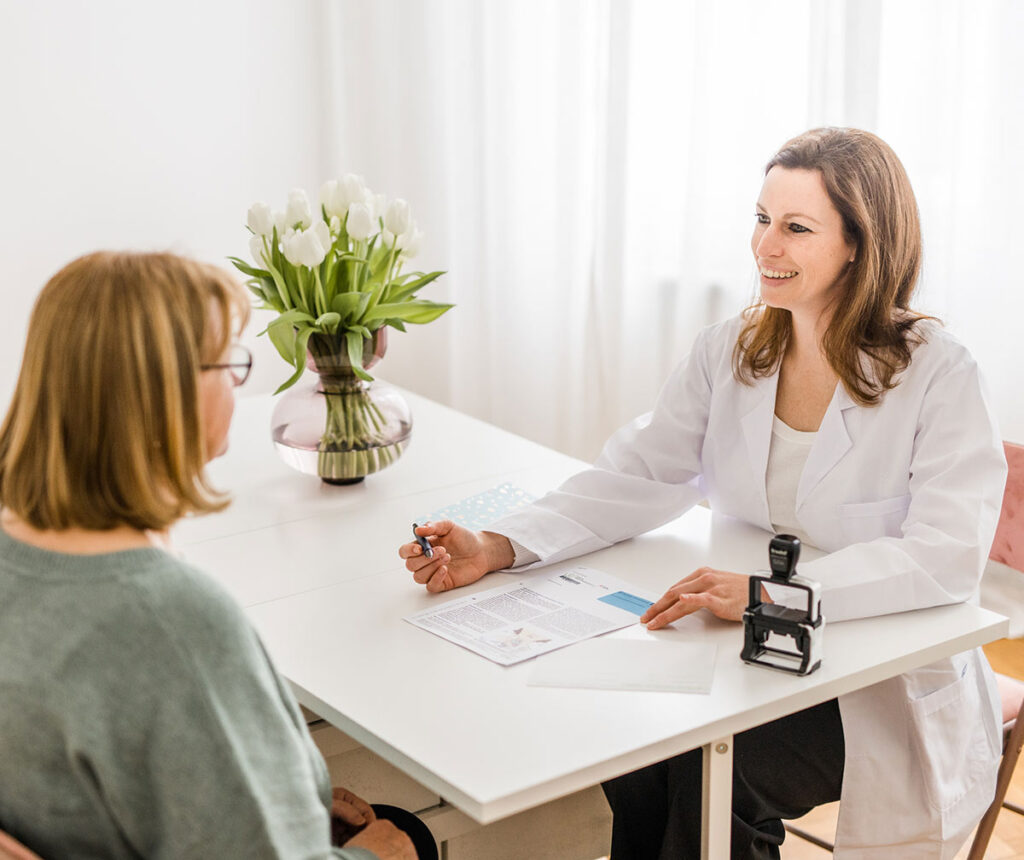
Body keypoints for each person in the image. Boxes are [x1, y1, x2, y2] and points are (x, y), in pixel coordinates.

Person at [399, 128, 1008, 858]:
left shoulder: (937, 374)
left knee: (718, 778)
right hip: (743, 651)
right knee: (635, 758)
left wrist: (770, 593)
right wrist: (499, 544)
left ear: (859, 244)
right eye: (761, 219)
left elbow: (946, 558)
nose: (765, 247)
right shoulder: (733, 348)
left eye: (795, 228)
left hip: (878, 681)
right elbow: (639, 473)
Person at [0, 252, 418, 859]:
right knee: (411, 831)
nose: (236, 384)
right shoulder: (169, 617)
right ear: (168, 392)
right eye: (231, 362)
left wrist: (266, 786)